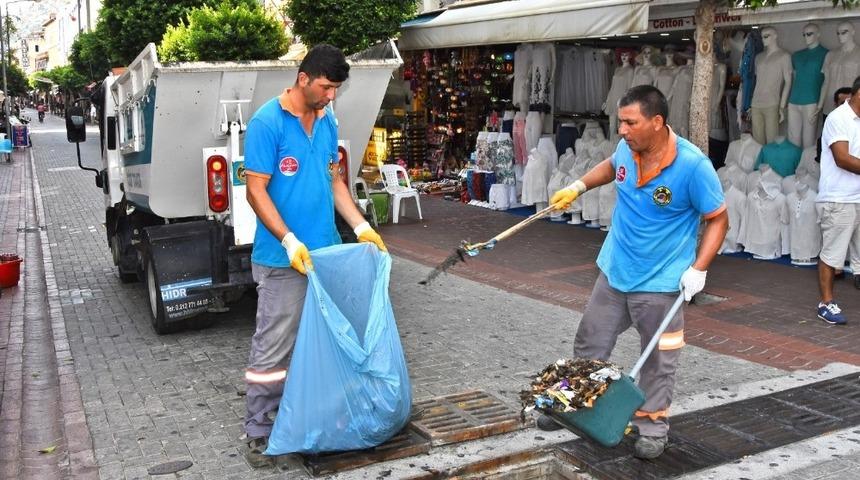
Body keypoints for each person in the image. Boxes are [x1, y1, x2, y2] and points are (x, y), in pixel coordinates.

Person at [541, 85, 728, 460]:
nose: (622, 130)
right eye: (620, 122)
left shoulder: (693, 166)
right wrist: (578, 186)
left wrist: (699, 269)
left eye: (630, 122)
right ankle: (575, 402)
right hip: (615, 272)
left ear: (656, 122)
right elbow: (612, 166)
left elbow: (718, 219)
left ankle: (652, 428)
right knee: (590, 343)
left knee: (658, 360)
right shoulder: (628, 147)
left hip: (662, 284)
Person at [240, 44, 387, 467]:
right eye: (326, 87)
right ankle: (259, 429)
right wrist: (289, 241)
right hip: (282, 259)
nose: (331, 95)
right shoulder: (267, 122)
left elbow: (335, 181)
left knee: (326, 340)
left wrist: (360, 226)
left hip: (324, 254)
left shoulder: (327, 120)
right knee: (274, 349)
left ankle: (319, 418)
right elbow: (255, 190)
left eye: (336, 88)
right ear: (303, 78)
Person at [815, 76, 860, 325]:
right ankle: (826, 303)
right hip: (838, 199)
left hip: (857, 197)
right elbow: (842, 158)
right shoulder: (838, 118)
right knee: (832, 256)